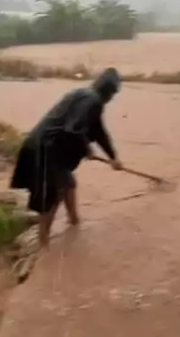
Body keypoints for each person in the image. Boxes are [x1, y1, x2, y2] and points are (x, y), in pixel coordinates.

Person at [10, 67, 123, 247]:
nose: (112, 98)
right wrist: (86, 148)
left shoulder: (86, 96)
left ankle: (74, 222)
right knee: (52, 196)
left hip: (44, 145)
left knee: (68, 184)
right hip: (46, 148)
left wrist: (113, 157)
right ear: (109, 92)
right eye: (113, 94)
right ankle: (43, 243)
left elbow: (99, 132)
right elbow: (72, 129)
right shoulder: (92, 101)